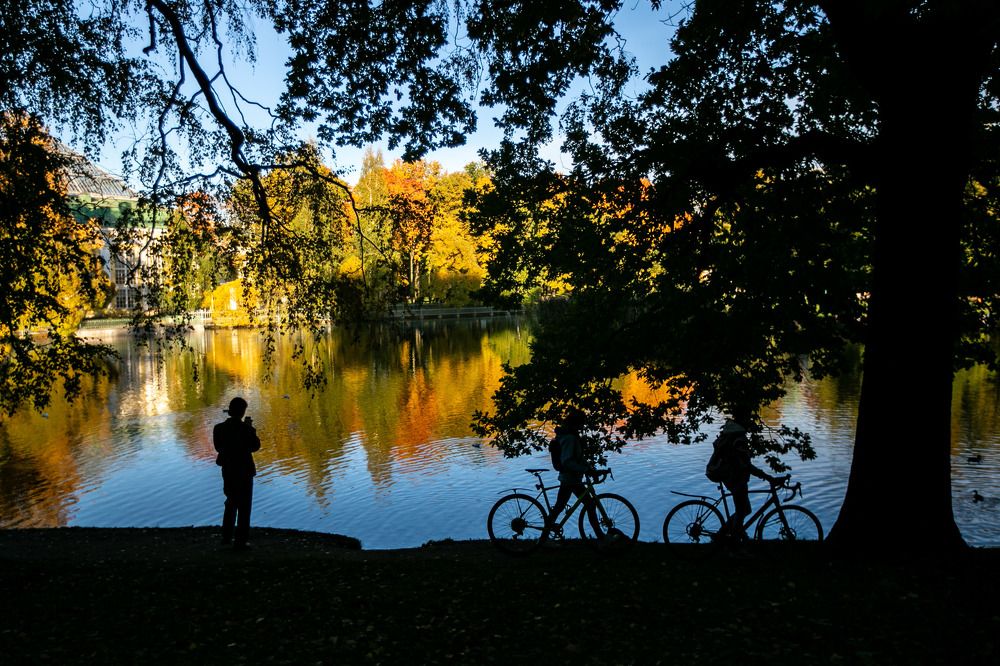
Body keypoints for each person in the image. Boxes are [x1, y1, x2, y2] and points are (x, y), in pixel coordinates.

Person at [710, 416, 776, 541]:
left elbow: (744, 464)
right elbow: (745, 465)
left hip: (732, 477)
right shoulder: (739, 440)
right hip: (735, 479)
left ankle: (724, 535)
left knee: (744, 510)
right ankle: (734, 542)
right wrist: (767, 477)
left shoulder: (733, 437)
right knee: (742, 510)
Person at [545, 410, 603, 536]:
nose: (583, 425)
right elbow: (567, 461)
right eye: (582, 423)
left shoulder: (571, 436)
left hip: (571, 478)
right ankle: (601, 537)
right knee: (589, 505)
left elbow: (578, 458)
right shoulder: (570, 438)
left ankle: (543, 539)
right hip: (569, 479)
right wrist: (585, 470)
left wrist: (589, 469)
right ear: (576, 423)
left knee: (560, 507)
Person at [214, 396, 261, 549]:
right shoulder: (245, 429)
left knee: (230, 501)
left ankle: (226, 537)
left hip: (228, 470)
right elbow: (255, 446)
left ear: (230, 410)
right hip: (245, 470)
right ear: (242, 412)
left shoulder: (219, 428)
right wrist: (250, 428)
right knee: (244, 505)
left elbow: (218, 447)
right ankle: (241, 540)